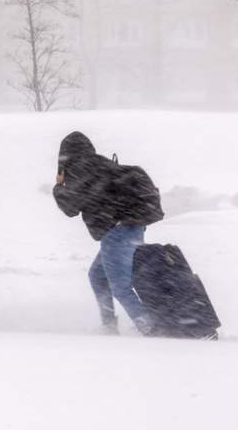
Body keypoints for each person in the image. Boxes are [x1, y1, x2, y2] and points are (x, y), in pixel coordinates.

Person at [52, 131, 163, 336]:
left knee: (120, 287)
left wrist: (59, 186)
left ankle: (149, 329)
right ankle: (109, 325)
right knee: (97, 276)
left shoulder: (81, 169)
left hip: (117, 232)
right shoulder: (101, 164)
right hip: (131, 227)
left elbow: (70, 208)